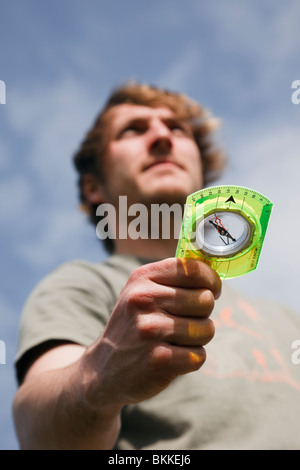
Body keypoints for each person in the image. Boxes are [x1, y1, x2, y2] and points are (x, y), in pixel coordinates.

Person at [13, 82, 300, 450]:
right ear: (92, 188)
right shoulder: (82, 286)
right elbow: (37, 434)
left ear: (201, 169)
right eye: (133, 129)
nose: (162, 137)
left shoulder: (287, 319)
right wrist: (99, 375)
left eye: (177, 128)